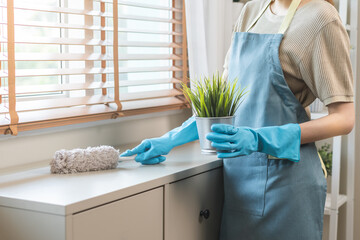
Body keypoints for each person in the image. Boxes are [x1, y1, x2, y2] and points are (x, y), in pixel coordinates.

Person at [121, 0, 355, 239]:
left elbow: (344, 119)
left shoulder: (322, 19)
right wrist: (171, 139)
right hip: (238, 185)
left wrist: (258, 138)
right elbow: (224, 101)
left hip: (287, 188)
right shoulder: (251, 11)